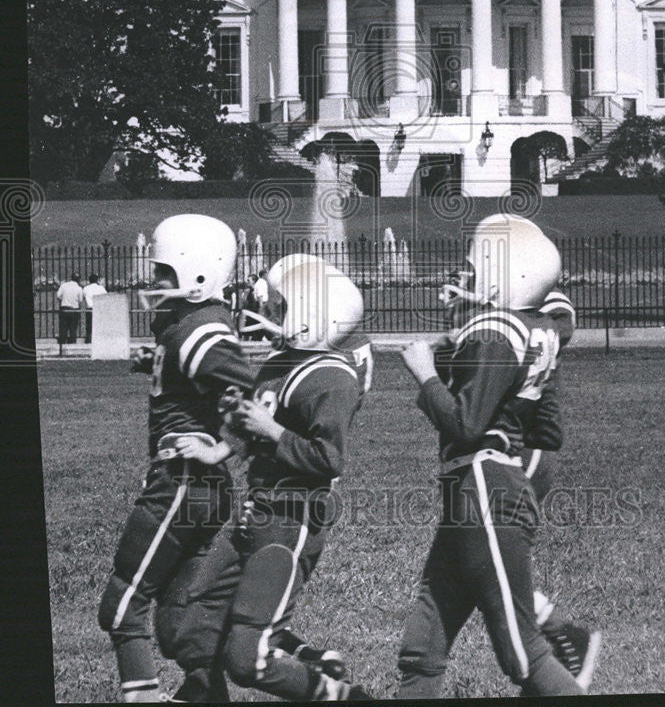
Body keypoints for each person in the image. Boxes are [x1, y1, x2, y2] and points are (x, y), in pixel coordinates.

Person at [397, 214, 593, 697]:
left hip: (483, 486)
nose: (463, 277)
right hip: (484, 485)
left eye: (474, 267)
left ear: (503, 274)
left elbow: (465, 424)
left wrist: (425, 374)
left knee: (520, 647)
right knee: (423, 644)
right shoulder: (533, 328)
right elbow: (548, 430)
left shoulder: (495, 327)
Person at [172, 254, 373, 702]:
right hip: (255, 511)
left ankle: (340, 695)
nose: (268, 312)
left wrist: (274, 432)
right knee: (195, 628)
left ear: (310, 316)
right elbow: (257, 417)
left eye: (280, 306)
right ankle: (297, 662)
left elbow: (330, 459)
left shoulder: (331, 378)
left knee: (247, 660)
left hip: (290, 518)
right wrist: (224, 443)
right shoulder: (283, 361)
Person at [97, 213, 256, 703]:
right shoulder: (186, 326)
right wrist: (159, 360)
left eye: (163, 272)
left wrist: (222, 447)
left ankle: (142, 695)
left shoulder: (199, 331)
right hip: (198, 488)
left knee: (122, 605)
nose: (152, 282)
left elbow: (261, 399)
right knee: (181, 622)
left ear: (198, 276)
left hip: (183, 481)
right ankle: (203, 694)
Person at [56, 271, 83, 344]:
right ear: (79, 280)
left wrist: (63, 299)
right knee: (73, 329)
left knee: (63, 328)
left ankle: (62, 344)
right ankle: (72, 344)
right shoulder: (79, 288)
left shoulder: (64, 285)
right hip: (74, 309)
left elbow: (58, 296)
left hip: (64, 308)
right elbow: (80, 300)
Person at [82, 273, 107, 344]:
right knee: (99, 326)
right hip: (99, 308)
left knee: (89, 327)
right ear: (97, 280)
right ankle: (100, 341)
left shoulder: (86, 288)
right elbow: (105, 296)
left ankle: (89, 341)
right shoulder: (101, 288)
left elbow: (83, 297)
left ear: (89, 280)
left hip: (90, 309)